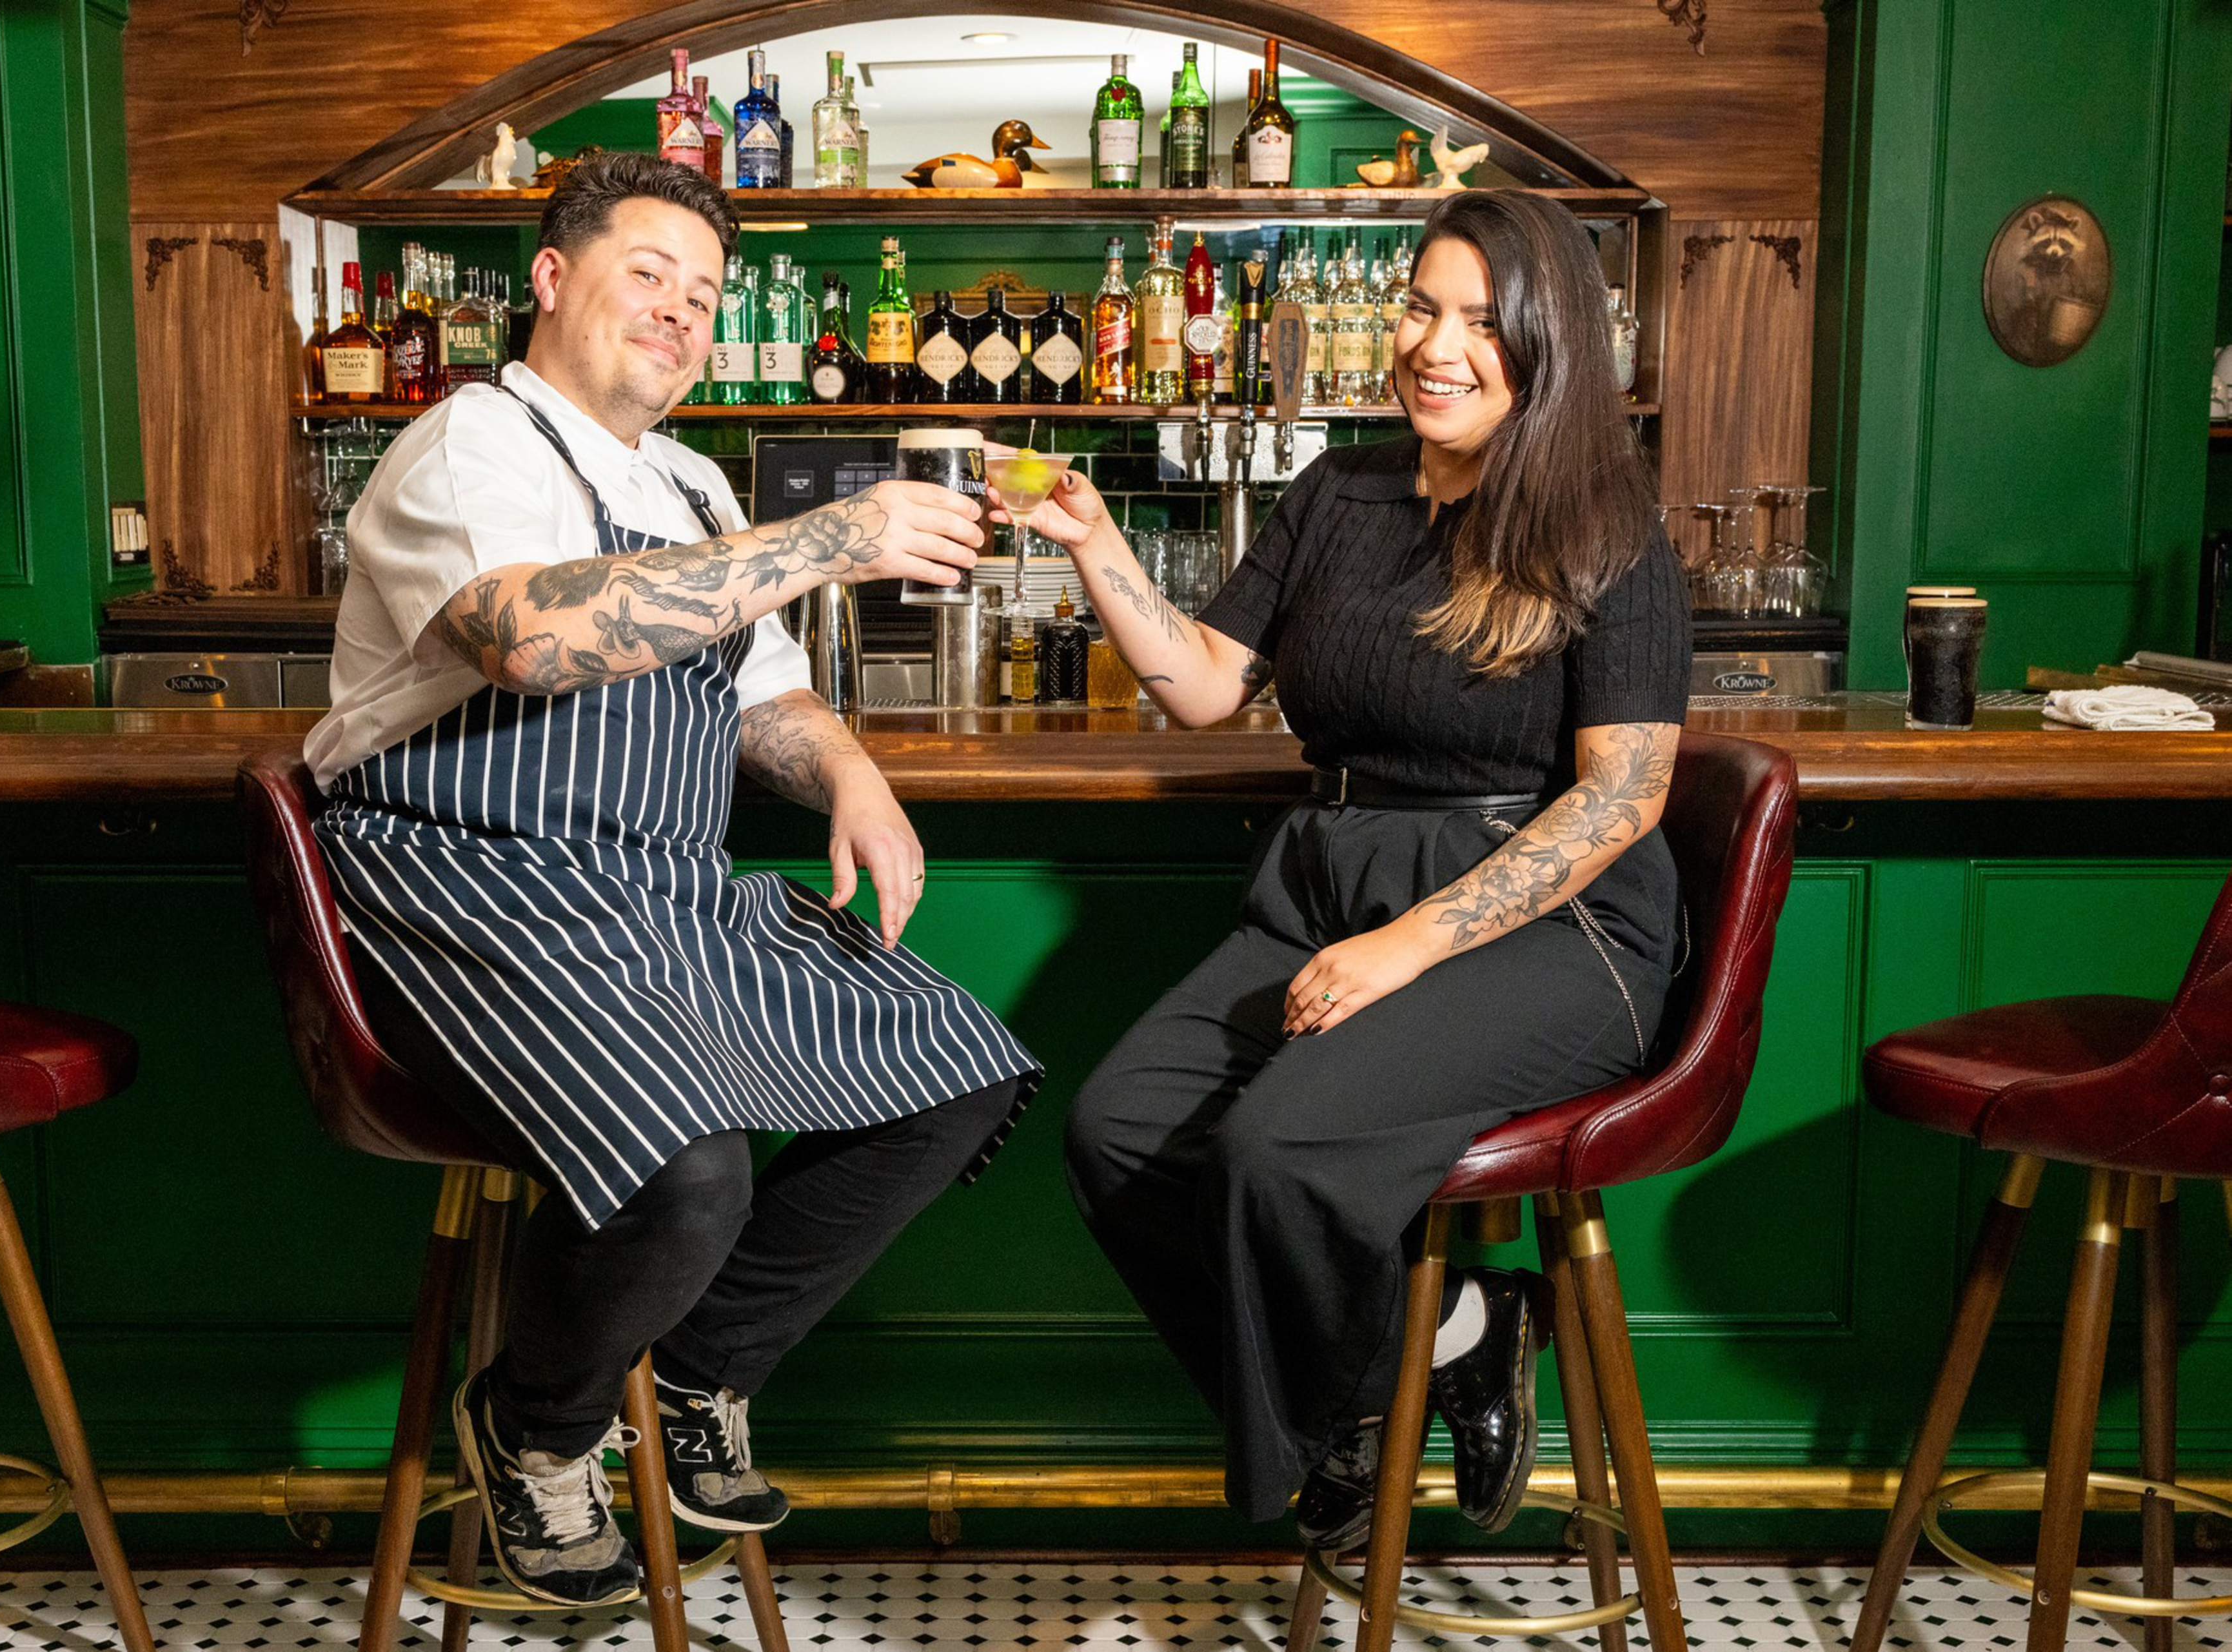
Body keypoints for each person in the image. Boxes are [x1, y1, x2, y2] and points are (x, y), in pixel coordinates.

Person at [302, 153, 1042, 1608]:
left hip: (653, 895)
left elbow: (761, 692)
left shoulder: (695, 479)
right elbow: (530, 639)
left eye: (703, 293)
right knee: (681, 1163)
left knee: (952, 1074)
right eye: (649, 273)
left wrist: (850, 775)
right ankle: (538, 1426)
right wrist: (835, 534)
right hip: (469, 885)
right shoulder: (472, 444)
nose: (680, 311)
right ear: (553, 276)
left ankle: (703, 1369)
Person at [1020, 189, 1688, 1545]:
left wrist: (1408, 946)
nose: (1434, 346)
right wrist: (1097, 548)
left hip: (1546, 923)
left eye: (1479, 323)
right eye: (1419, 307)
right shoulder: (1340, 489)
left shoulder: (1604, 525)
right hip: (1328, 884)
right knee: (1118, 1133)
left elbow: (1621, 796)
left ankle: (1326, 1439)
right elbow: (1206, 686)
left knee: (1275, 1147)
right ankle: (1437, 1344)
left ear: (1547, 343)